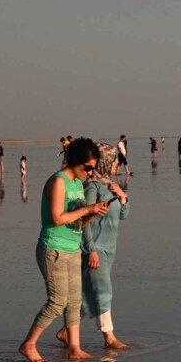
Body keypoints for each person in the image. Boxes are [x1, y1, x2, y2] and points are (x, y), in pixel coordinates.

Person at [19, 137, 111, 362]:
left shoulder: (78, 184)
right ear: (77, 162)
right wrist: (87, 208)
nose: (90, 173)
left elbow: (79, 222)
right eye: (88, 167)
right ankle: (29, 344)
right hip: (53, 249)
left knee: (74, 301)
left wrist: (93, 213)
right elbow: (57, 218)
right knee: (57, 301)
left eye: (93, 169)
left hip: (72, 248)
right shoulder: (58, 181)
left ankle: (75, 348)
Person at [56, 143, 130, 351]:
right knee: (103, 291)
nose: (116, 163)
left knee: (90, 294)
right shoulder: (92, 188)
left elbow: (123, 214)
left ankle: (65, 331)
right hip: (95, 249)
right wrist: (90, 250)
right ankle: (110, 337)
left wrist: (123, 197)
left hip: (109, 249)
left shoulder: (110, 187)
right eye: (114, 159)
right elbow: (82, 220)